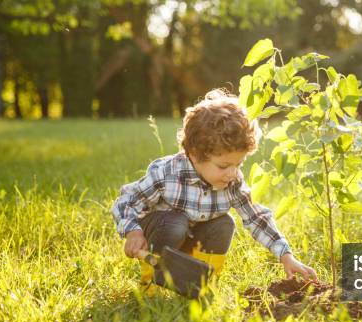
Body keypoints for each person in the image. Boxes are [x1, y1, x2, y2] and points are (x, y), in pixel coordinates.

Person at [111, 88, 317, 282]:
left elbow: (256, 217)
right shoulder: (166, 174)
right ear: (194, 154)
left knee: (224, 224)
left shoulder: (232, 182)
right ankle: (152, 281)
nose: (233, 173)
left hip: (192, 239)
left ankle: (201, 281)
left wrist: (286, 255)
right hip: (162, 233)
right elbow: (127, 201)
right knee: (176, 224)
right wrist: (133, 232)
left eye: (239, 164)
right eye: (224, 165)